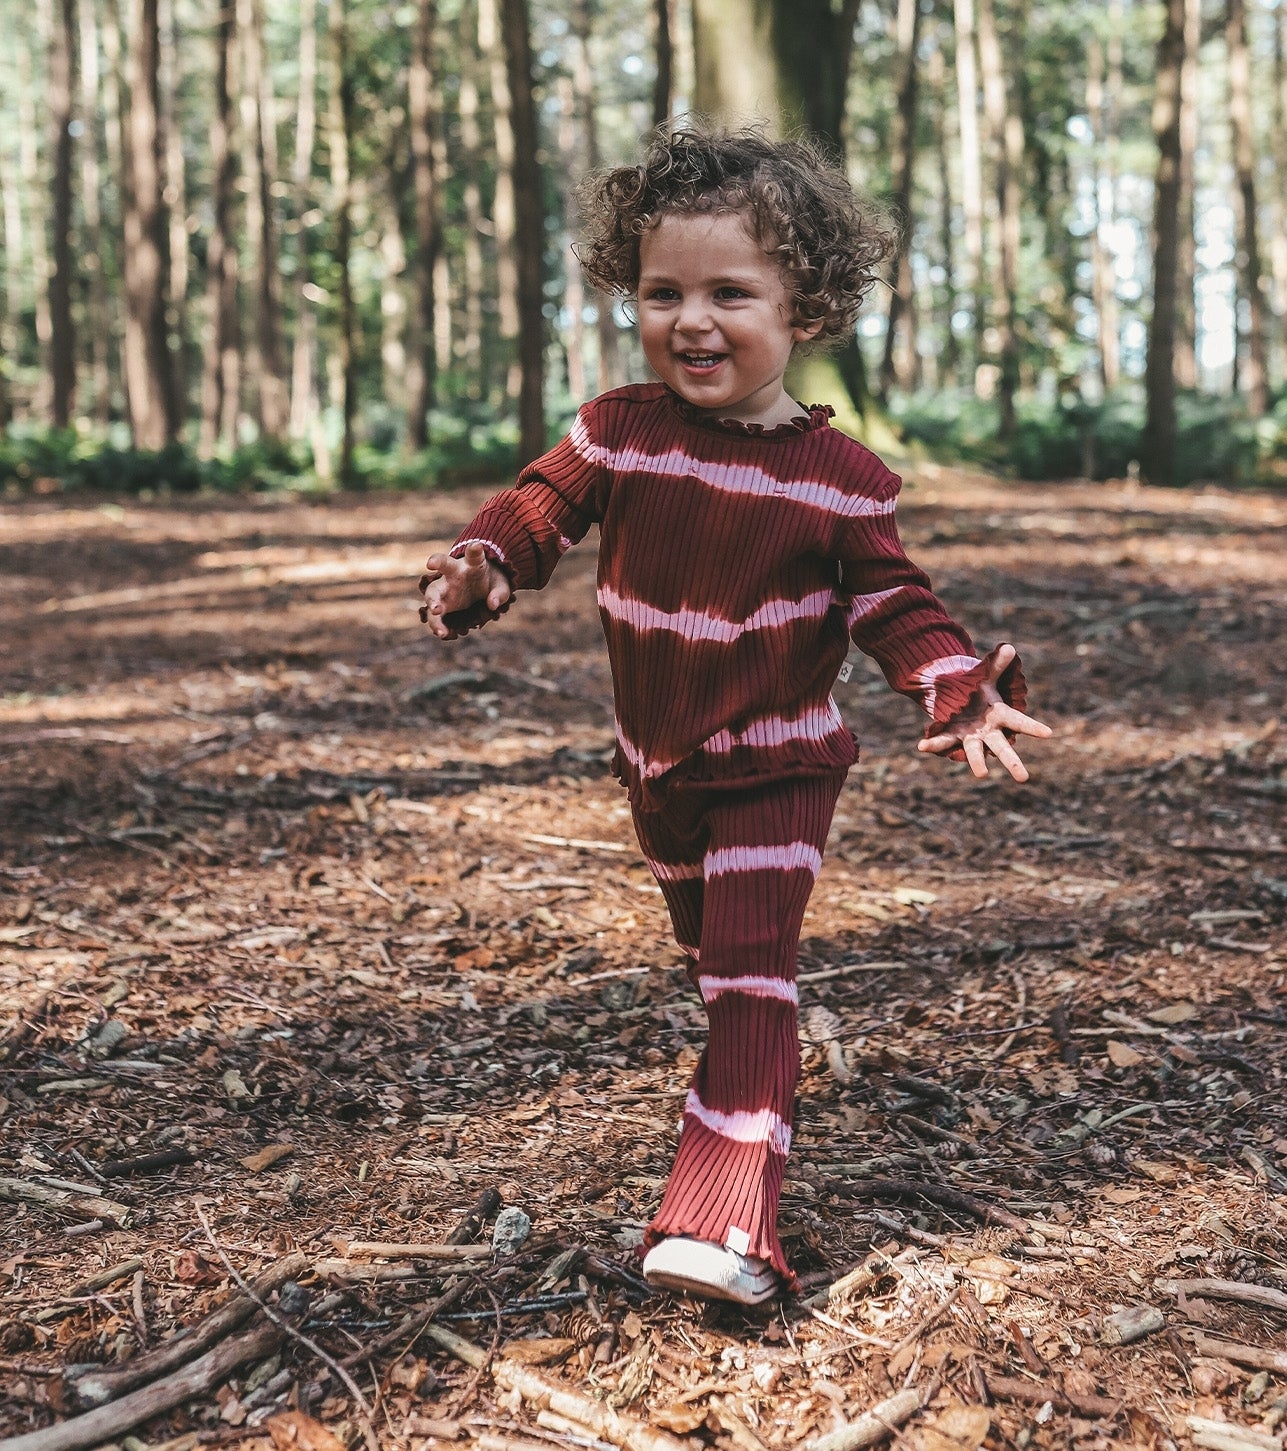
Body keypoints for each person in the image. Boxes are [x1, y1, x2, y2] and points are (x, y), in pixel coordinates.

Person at [419, 126, 1051, 1305]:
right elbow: (539, 503)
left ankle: (722, 1225)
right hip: (656, 770)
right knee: (712, 963)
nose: (691, 321)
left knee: (750, 976)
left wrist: (954, 682)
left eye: (729, 293)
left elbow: (892, 600)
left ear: (802, 308)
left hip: (774, 764)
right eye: (663, 292)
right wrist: (485, 564)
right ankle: (728, 1169)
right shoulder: (620, 430)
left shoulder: (841, 479)